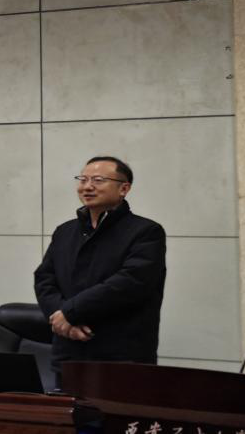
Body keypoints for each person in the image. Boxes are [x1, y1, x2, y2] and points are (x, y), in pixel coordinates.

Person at [33, 156, 166, 384]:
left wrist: (70, 313)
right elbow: (44, 279)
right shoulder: (65, 231)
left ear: (124, 189)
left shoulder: (145, 232)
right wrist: (62, 319)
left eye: (98, 180)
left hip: (121, 358)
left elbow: (131, 283)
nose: (87, 186)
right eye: (83, 179)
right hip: (68, 354)